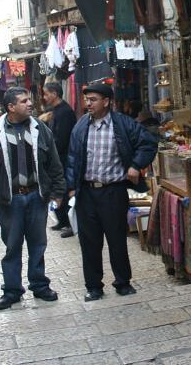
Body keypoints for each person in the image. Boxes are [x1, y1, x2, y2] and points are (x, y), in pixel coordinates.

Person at [0, 87, 66, 310]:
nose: (30, 104)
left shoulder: (40, 129)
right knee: (12, 246)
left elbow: (54, 163)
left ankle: (40, 285)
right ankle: (12, 290)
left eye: (29, 100)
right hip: (9, 200)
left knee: (38, 244)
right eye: (24, 101)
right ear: (11, 107)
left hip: (36, 196)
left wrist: (58, 191)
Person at [66, 83, 157, 301]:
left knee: (117, 239)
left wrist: (136, 165)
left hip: (113, 191)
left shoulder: (123, 124)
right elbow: (72, 158)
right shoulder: (81, 126)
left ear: (106, 102)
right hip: (87, 192)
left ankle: (123, 282)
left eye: (93, 99)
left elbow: (148, 143)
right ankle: (93, 286)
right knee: (89, 242)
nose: (88, 104)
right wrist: (70, 187)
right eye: (87, 99)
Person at [40, 83, 77, 238]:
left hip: (64, 157)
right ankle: (62, 220)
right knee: (57, 188)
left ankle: (70, 223)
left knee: (65, 189)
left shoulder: (65, 112)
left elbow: (62, 138)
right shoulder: (55, 110)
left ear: (54, 94)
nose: (44, 97)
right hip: (57, 157)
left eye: (46, 94)